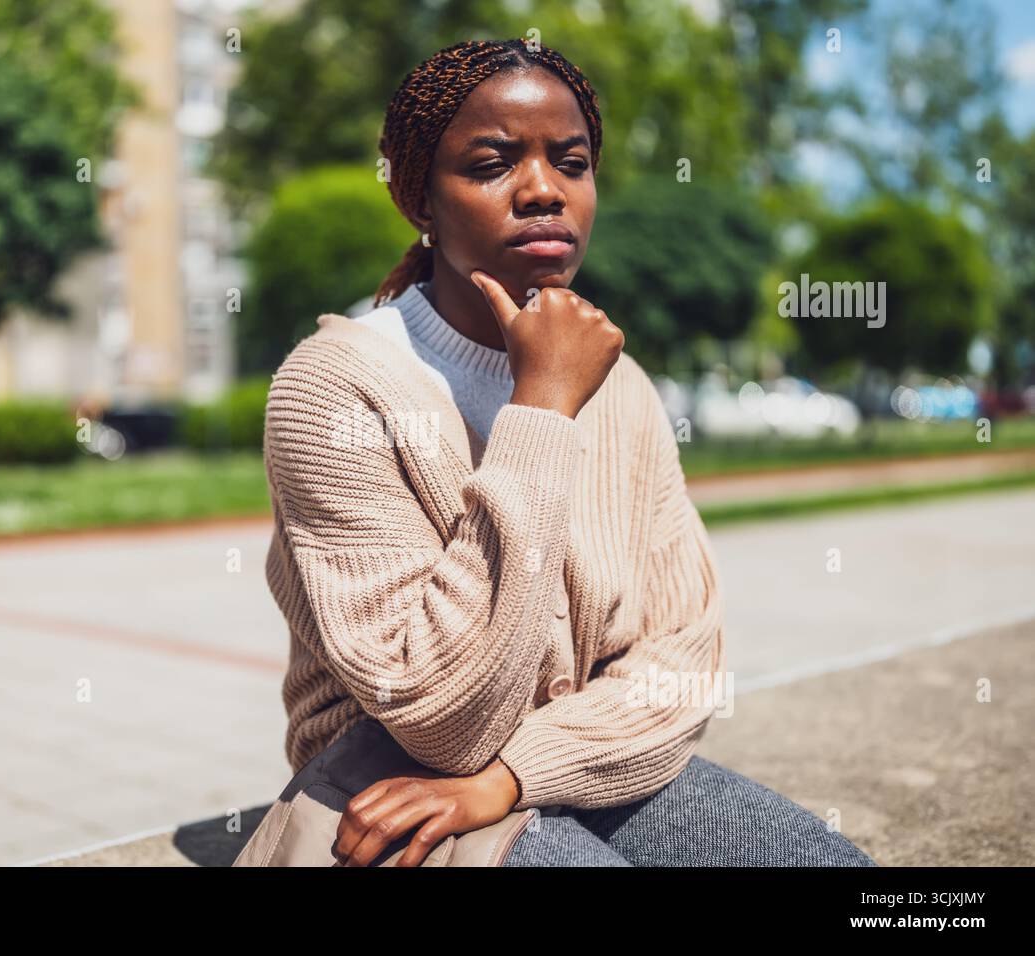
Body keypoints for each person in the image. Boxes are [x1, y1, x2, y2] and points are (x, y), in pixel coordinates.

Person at [260, 37, 875, 867]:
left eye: (573, 163)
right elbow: (439, 714)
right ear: (420, 201)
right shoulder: (334, 389)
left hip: (574, 751)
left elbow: (681, 660)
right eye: (492, 163)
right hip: (389, 780)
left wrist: (517, 775)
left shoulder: (620, 386)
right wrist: (542, 404)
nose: (544, 189)